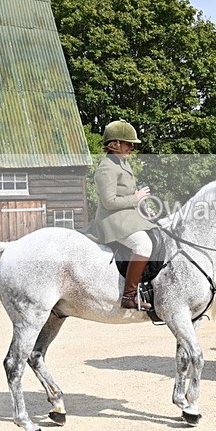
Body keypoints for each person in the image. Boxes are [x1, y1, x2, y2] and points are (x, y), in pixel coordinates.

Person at [82, 120, 156, 310]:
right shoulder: (106, 167)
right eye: (128, 143)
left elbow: (128, 195)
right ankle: (129, 296)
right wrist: (136, 197)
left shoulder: (122, 163)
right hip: (112, 220)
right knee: (143, 245)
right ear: (115, 144)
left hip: (127, 216)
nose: (132, 147)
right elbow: (110, 202)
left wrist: (142, 205)